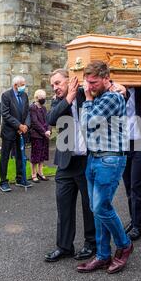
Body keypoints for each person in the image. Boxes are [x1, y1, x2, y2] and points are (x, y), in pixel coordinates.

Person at [77, 61, 133, 274]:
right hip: (94, 158)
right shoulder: (101, 95)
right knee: (97, 209)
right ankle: (102, 255)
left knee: (101, 207)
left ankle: (125, 244)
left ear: (106, 77)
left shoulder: (112, 97)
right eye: (87, 82)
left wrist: (88, 99)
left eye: (93, 82)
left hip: (110, 160)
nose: (89, 86)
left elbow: (87, 124)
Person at [45, 69, 96, 263]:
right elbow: (51, 120)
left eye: (58, 83)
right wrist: (69, 97)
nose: (55, 88)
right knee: (64, 206)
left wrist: (77, 94)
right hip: (66, 164)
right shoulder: (58, 102)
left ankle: (91, 244)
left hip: (87, 161)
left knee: (89, 206)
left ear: (70, 81)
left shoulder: (87, 94)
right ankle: (64, 246)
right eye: (52, 85)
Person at [122, 87, 141, 241]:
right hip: (123, 143)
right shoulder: (116, 90)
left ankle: (138, 225)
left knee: (137, 186)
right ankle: (134, 219)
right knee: (128, 185)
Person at [0, 76, 32, 192]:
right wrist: (19, 125)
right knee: (5, 157)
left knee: (20, 155)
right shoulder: (6, 95)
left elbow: (27, 112)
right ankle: (3, 181)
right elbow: (5, 114)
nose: (24, 86)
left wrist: (26, 125)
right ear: (15, 85)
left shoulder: (24, 95)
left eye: (24, 84)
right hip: (9, 131)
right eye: (22, 84)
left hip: (21, 132)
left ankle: (20, 178)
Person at [29, 89, 51, 183]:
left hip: (44, 136)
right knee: (35, 155)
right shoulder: (32, 107)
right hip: (36, 135)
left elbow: (48, 120)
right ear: (37, 97)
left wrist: (49, 130)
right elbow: (35, 122)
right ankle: (33, 174)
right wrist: (44, 131)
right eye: (42, 97)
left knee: (42, 155)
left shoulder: (44, 108)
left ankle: (40, 172)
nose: (44, 99)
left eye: (44, 97)